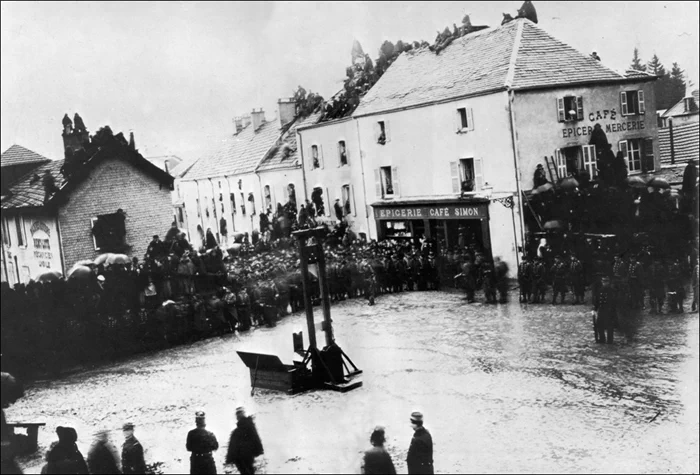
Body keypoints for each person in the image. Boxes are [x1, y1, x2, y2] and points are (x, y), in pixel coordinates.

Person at [225, 407, 264, 475]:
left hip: (243, 456)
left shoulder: (241, 429)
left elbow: (233, 444)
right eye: (238, 414)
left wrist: (229, 459)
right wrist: (259, 451)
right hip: (247, 455)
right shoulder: (249, 426)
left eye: (239, 414)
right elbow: (256, 439)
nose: (238, 416)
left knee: (246, 471)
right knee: (249, 470)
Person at [593, 275, 616, 344]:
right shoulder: (600, 290)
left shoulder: (612, 291)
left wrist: (613, 311)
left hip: (609, 310)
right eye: (603, 281)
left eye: (606, 281)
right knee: (600, 325)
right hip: (601, 310)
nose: (605, 283)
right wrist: (595, 309)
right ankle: (602, 339)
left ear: (609, 282)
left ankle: (610, 340)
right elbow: (597, 300)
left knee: (609, 326)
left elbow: (614, 302)